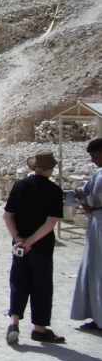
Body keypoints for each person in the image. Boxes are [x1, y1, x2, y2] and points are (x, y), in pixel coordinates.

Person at [3, 151, 65, 344]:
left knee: (18, 282)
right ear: (49, 169)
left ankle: (14, 323)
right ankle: (39, 328)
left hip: (19, 245)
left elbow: (7, 215)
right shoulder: (54, 190)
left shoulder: (20, 185)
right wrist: (31, 242)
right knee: (42, 285)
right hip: (42, 246)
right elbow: (50, 223)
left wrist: (18, 239)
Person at [69, 137, 102, 331]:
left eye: (94, 155)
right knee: (94, 271)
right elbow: (85, 193)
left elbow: (94, 200)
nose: (92, 160)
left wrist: (90, 204)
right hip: (96, 227)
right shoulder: (98, 173)